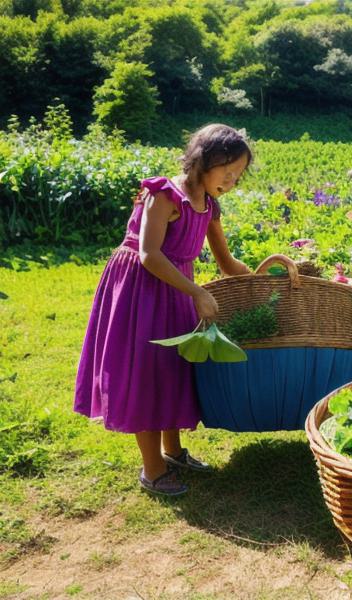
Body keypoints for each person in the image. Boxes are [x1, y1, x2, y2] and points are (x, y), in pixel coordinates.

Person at [75, 124, 253, 496]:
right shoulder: (165, 194)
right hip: (141, 288)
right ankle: (152, 470)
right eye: (228, 170)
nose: (232, 180)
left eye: (238, 175)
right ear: (205, 160)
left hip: (175, 290)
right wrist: (196, 293)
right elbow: (149, 254)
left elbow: (227, 263)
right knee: (146, 374)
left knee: (173, 368)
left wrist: (263, 278)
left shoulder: (209, 207)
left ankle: (173, 453)